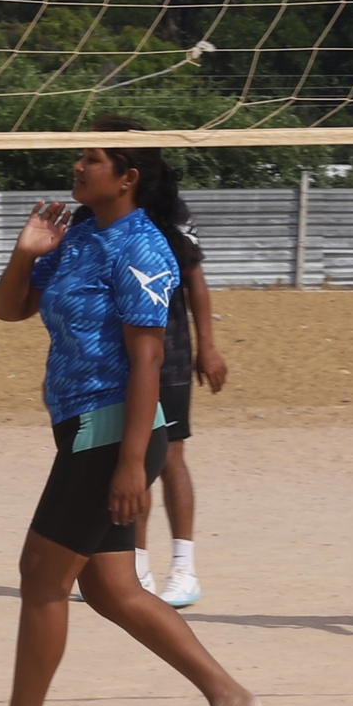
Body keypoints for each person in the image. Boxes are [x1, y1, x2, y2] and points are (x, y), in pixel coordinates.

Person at [0, 130, 257, 706]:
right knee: (112, 590)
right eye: (80, 156)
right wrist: (24, 252)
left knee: (41, 574)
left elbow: (147, 360)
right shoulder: (81, 234)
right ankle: (227, 694)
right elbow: (11, 309)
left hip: (113, 430)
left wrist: (130, 466)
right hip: (83, 428)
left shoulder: (144, 246)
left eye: (92, 159)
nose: (77, 166)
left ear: (128, 176)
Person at [130, 156, 227, 608]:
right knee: (126, 458)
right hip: (116, 356)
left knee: (168, 457)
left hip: (167, 352)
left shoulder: (170, 213)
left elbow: (195, 281)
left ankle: (184, 568)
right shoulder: (91, 217)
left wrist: (207, 345)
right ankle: (134, 566)